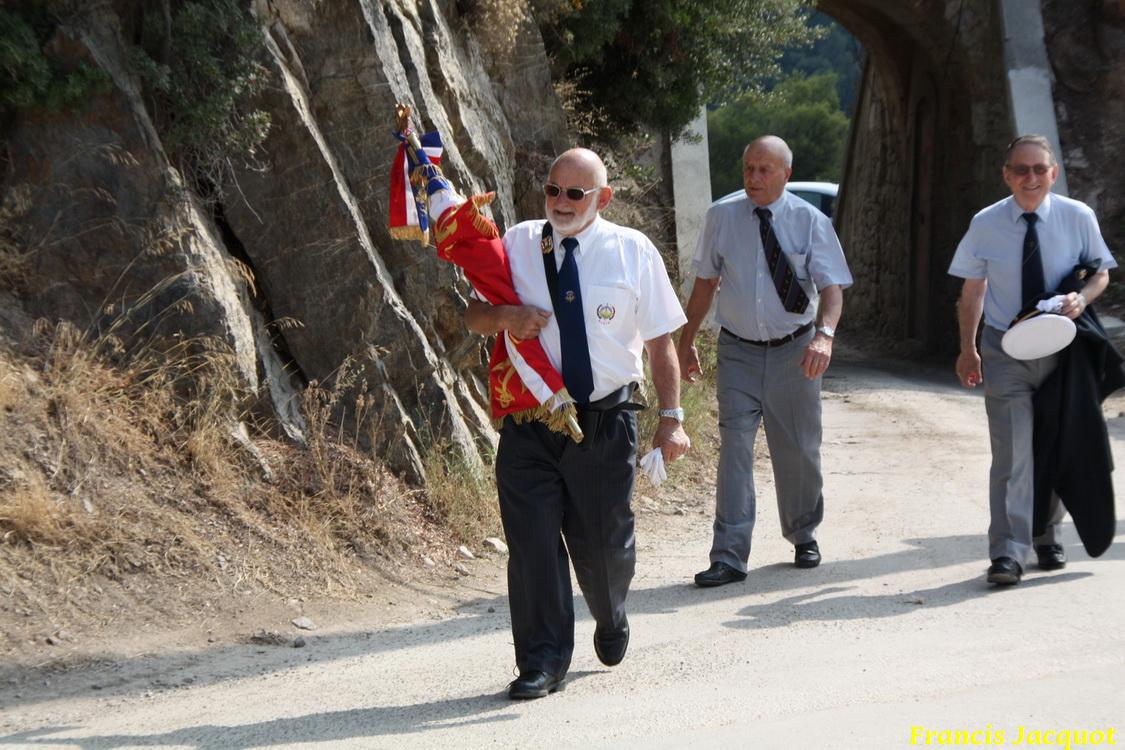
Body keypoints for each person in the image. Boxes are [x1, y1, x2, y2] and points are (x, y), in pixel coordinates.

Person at [464, 148, 690, 699]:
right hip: (530, 422)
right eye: (552, 190)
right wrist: (506, 318)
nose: (560, 203)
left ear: (602, 198)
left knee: (603, 545)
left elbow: (662, 343)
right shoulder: (517, 243)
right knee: (533, 542)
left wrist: (672, 419)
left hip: (605, 423)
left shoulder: (632, 251)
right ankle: (542, 661)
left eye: (575, 193)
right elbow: (473, 315)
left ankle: (611, 613)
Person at [677, 135, 852, 588]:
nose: (754, 178)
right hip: (738, 350)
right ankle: (729, 555)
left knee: (797, 449)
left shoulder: (810, 222)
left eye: (764, 170)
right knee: (734, 447)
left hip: (796, 351)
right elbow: (705, 285)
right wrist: (687, 339)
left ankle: (802, 531)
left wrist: (825, 337)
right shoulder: (722, 216)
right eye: (748, 169)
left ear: (786, 174)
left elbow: (831, 290)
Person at [949, 134, 1116, 585]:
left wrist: (1083, 298)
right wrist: (969, 348)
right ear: (1006, 175)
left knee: (1059, 442)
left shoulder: (1076, 216)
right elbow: (972, 291)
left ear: (1053, 173)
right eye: (1020, 170)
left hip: (1063, 350)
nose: (1030, 178)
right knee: (1012, 455)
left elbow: (1101, 271)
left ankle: (1046, 533)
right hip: (1006, 349)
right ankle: (1008, 552)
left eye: (1039, 169)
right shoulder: (985, 224)